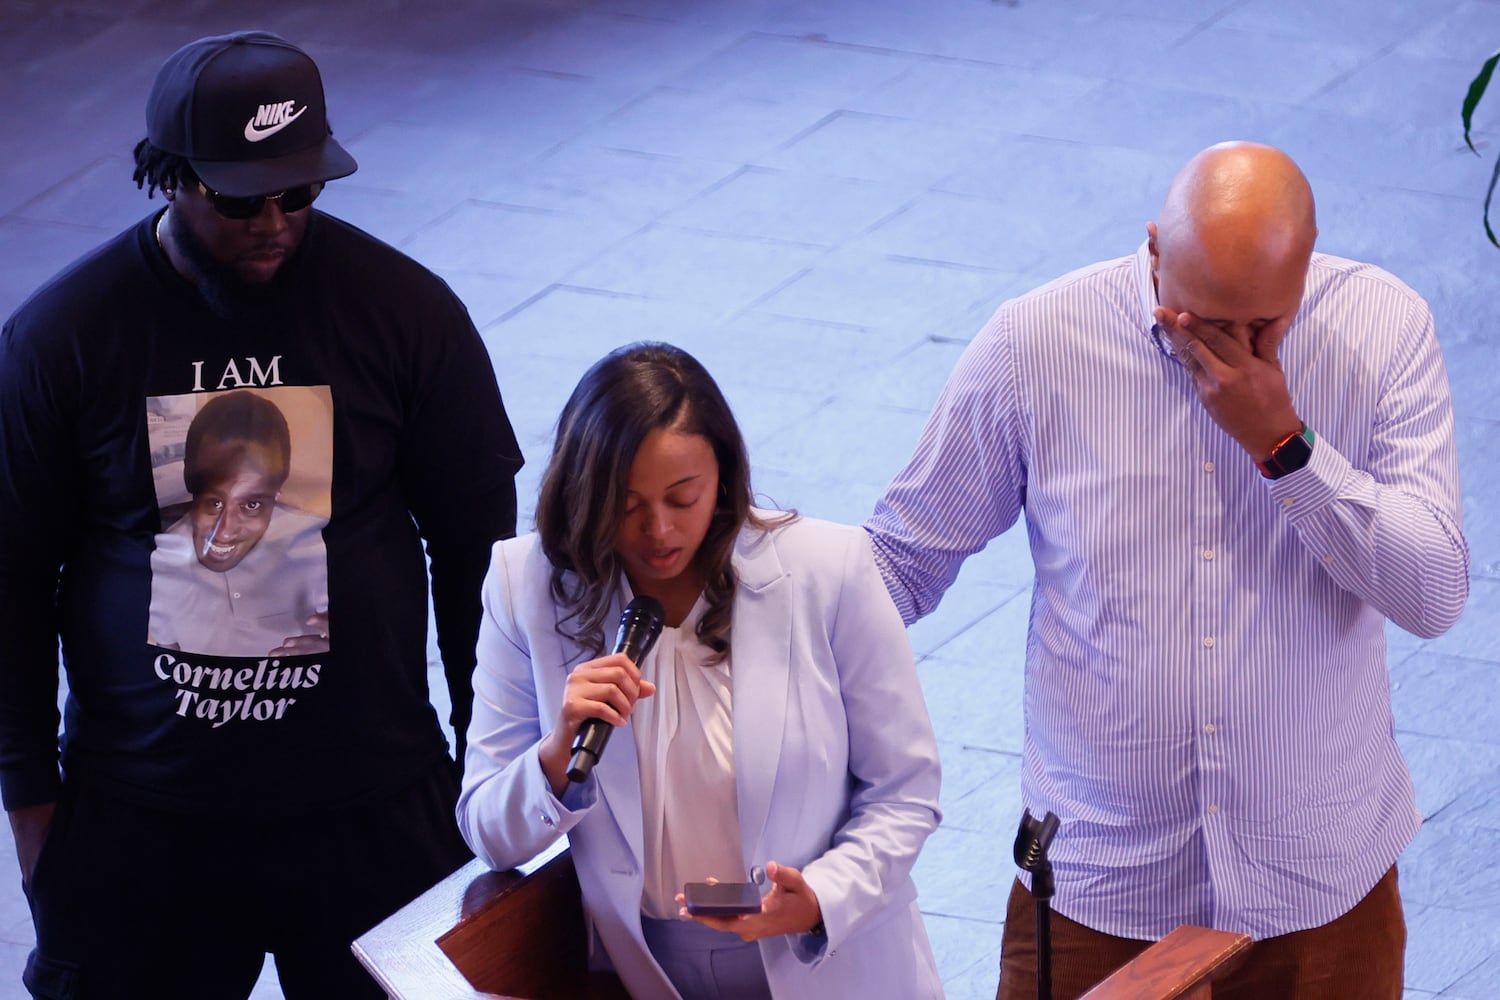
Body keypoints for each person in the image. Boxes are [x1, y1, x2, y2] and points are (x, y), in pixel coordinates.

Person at [865, 141, 1469, 1000]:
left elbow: (1435, 592)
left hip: (1322, 890)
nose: (1230, 353)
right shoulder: (1036, 345)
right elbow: (900, 559)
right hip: (1104, 894)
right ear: (1153, 251)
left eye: (1261, 325)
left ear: (1308, 260)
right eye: (1200, 323)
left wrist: (1286, 447)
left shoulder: (1383, 328)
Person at [0, 30, 523, 1000]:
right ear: (167, 177)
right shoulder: (65, 337)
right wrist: (34, 813)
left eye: (301, 192)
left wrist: (484, 780)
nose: (274, 222)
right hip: (141, 822)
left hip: (374, 808)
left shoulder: (407, 313)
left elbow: (478, 557)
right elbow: (13, 583)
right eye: (239, 199)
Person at [456, 342, 944, 1000]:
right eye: (626, 505)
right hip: (654, 972)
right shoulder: (527, 588)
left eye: (682, 498)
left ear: (722, 477)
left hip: (829, 963)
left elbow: (906, 790)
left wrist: (819, 897)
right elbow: (488, 831)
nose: (658, 530)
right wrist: (553, 754)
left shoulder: (830, 570)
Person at [148, 389, 332, 658]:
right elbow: (166, 651)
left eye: (252, 505)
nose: (226, 531)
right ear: (188, 477)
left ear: (277, 489)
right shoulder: (161, 563)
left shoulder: (318, 551)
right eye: (214, 502)